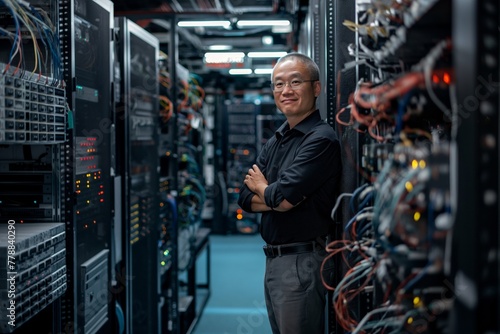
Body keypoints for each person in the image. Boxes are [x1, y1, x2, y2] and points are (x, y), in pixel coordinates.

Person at [237, 52, 342, 333]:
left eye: (295, 82)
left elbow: (282, 200)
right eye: (279, 84)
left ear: (316, 88)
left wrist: (266, 189)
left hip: (301, 264)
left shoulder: (321, 139)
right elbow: (244, 198)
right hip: (276, 261)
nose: (286, 91)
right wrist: (271, 194)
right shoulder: (279, 137)